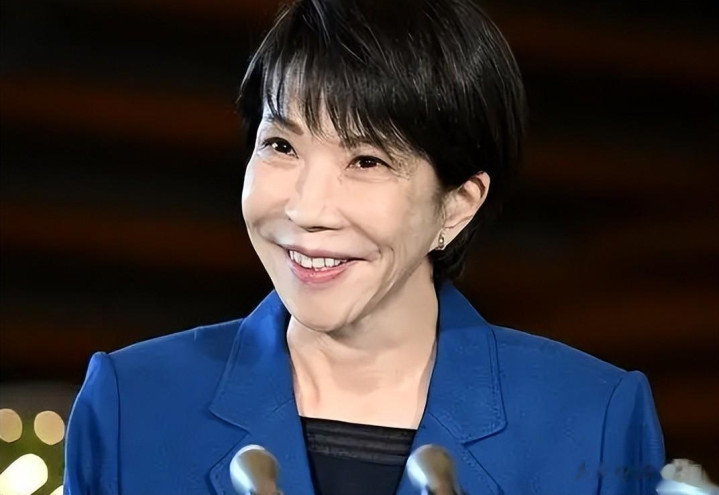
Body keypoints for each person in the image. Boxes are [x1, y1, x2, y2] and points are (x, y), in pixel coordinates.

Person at [64, 0, 666, 494]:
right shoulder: (132, 404)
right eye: (281, 146)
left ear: (458, 204)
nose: (308, 210)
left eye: (367, 160)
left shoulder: (590, 419)